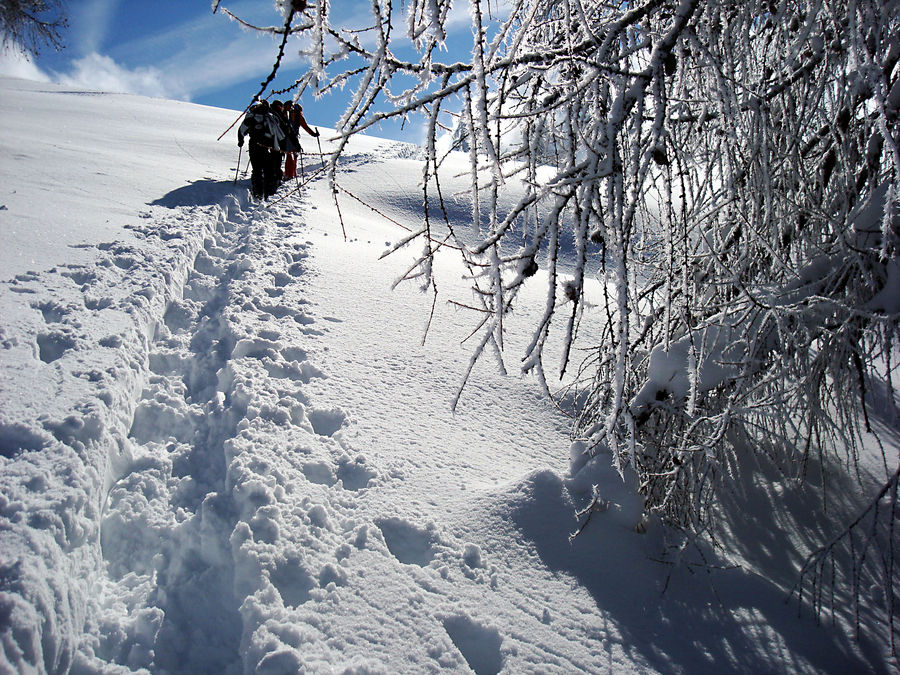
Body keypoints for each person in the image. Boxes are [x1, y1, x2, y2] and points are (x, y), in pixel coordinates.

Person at [237, 99, 285, 200]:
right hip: (268, 146)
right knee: (268, 168)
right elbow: (279, 134)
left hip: (254, 144)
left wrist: (240, 141)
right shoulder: (270, 118)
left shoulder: (251, 116)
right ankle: (268, 191)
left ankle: (258, 192)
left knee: (257, 168)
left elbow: (242, 130)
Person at [283, 100, 319, 181]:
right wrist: (313, 134)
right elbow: (305, 126)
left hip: (286, 137)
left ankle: (288, 173)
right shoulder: (298, 115)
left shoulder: (286, 114)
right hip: (294, 137)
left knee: (288, 154)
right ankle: (292, 173)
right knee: (294, 154)